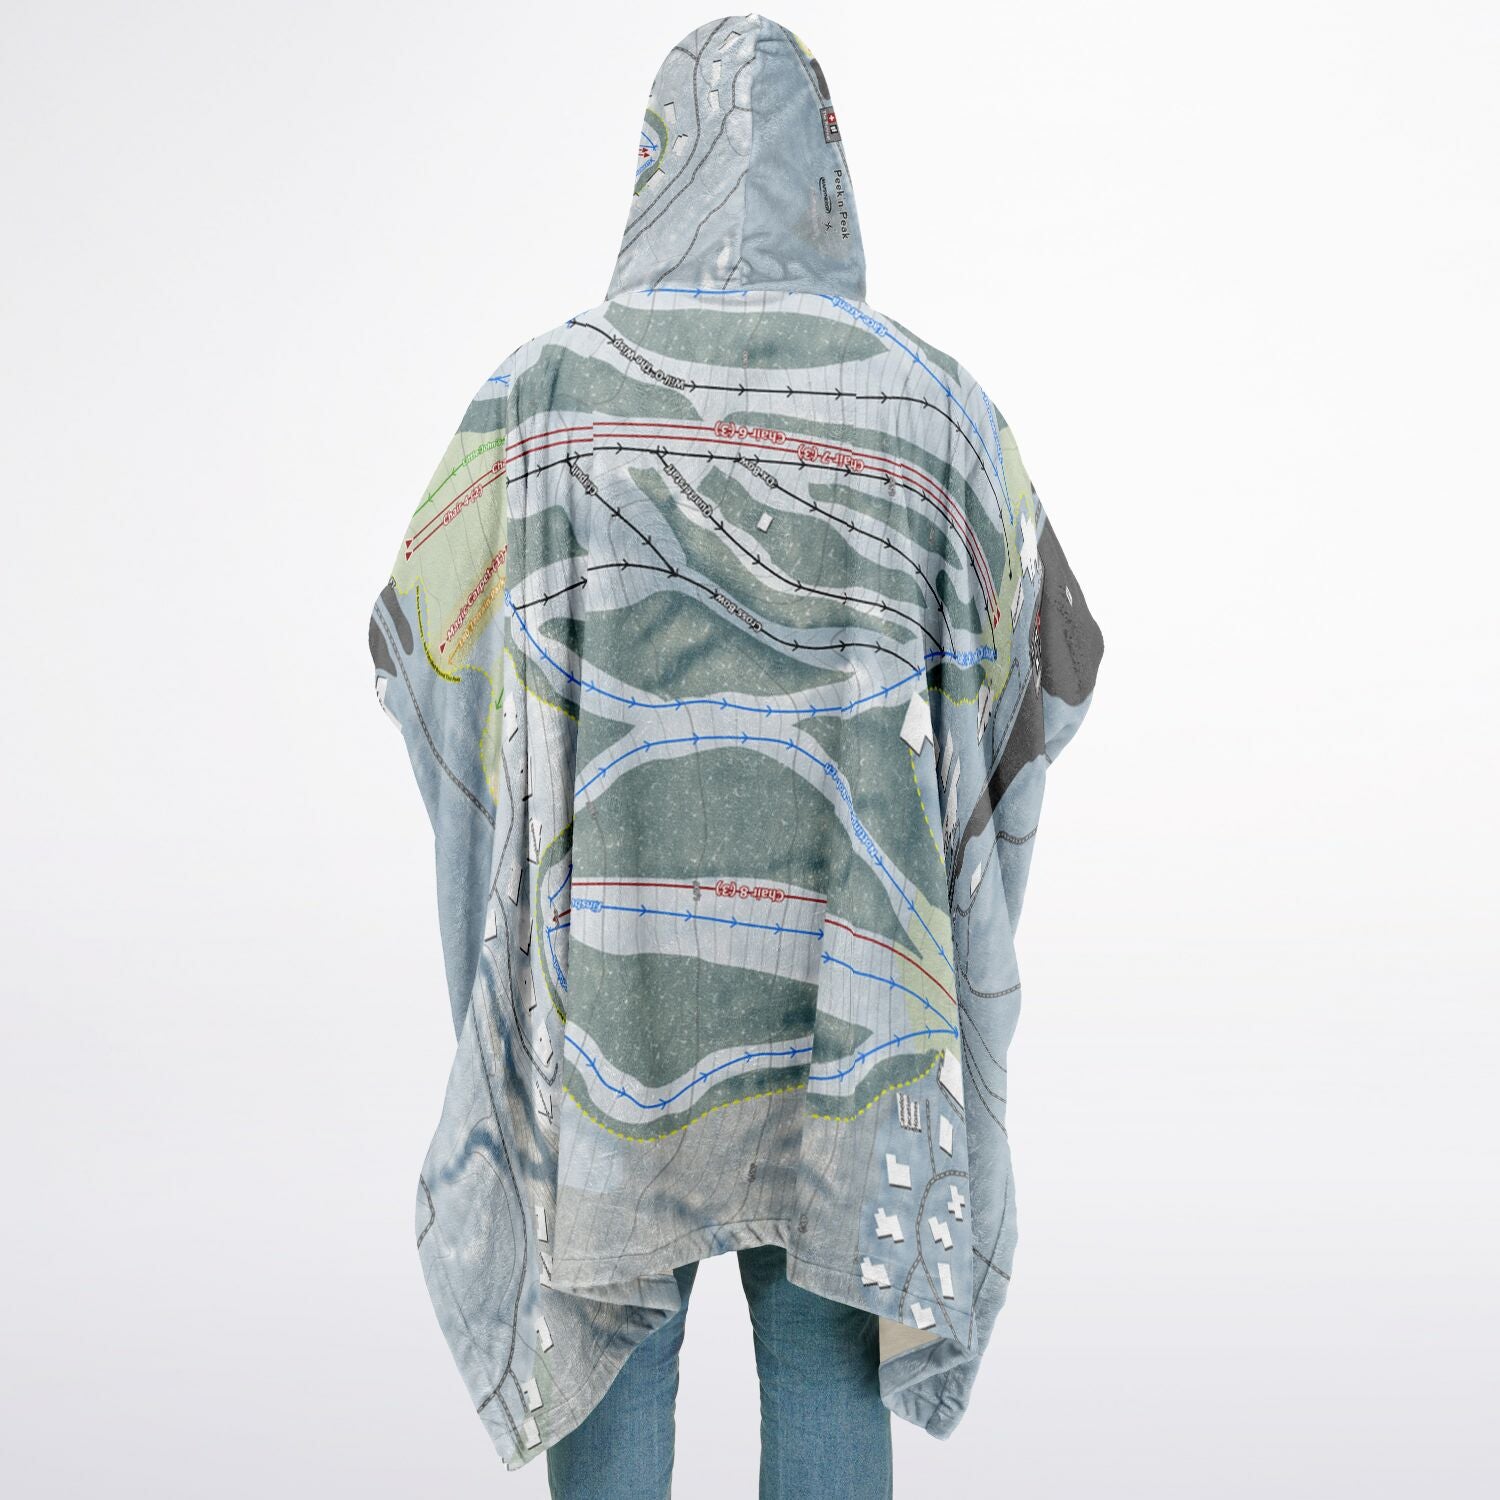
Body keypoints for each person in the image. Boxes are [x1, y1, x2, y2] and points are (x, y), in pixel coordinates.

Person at [366, 12, 1105, 1496]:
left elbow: (419, 645)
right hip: (857, 995)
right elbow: (1055, 660)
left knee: (605, 1341)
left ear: (655, 162)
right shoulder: (931, 403)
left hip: (609, 997)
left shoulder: (544, 395)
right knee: (829, 1359)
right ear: (830, 169)